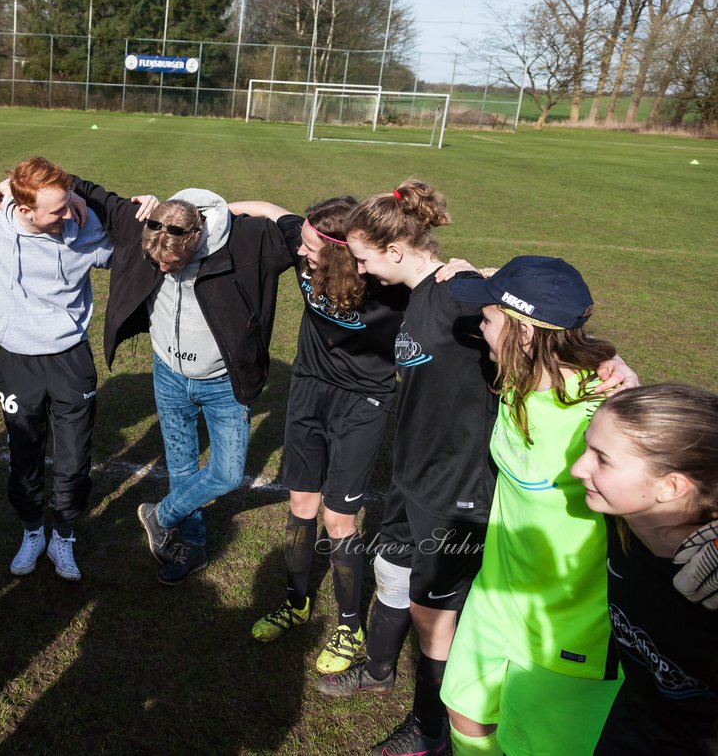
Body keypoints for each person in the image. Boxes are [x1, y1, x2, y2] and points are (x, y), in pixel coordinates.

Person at [318, 179, 634, 756]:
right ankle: (384, 670)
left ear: (393, 250)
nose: (358, 271)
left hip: (458, 490)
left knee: (433, 613)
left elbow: (552, 323)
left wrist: (616, 363)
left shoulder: (461, 293)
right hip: (415, 476)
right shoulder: (422, 292)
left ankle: (428, 727)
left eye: (362, 258)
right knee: (400, 582)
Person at [68, 176, 294, 585]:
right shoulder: (141, 223)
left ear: (196, 240)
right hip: (168, 376)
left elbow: (309, 236)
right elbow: (87, 189)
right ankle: (191, 546)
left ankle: (160, 515)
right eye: (156, 264)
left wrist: (265, 207)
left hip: (225, 383)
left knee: (227, 474)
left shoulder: (248, 241)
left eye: (172, 265)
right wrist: (12, 185)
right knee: (182, 468)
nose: (163, 271)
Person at [439, 256, 622, 756]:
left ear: (523, 333)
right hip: (496, 595)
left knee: (531, 747)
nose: (479, 326)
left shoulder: (603, 412)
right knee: (465, 715)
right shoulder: (518, 380)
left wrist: (633, 384)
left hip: (568, 626)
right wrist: (478, 274)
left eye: (489, 317)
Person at [228, 197, 408, 675]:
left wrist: (465, 270)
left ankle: (350, 627)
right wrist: (205, 209)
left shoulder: (390, 287)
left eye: (310, 248)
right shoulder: (306, 245)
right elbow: (268, 209)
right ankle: (296, 602)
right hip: (308, 390)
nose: (301, 254)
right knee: (301, 505)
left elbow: (454, 291)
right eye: (301, 242)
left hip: (363, 401)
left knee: (338, 520)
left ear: (343, 253)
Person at [0, 156, 116, 580]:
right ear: (24, 210)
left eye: (70, 203)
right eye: (58, 209)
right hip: (17, 362)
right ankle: (31, 530)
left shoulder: (84, 228)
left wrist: (90, 198)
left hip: (71, 359)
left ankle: (63, 534)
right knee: (24, 454)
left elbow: (135, 248)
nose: (70, 215)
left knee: (74, 456)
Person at [571, 385, 718, 754]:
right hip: (632, 724)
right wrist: (613, 365)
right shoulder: (623, 522)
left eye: (601, 459)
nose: (577, 468)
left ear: (671, 487)